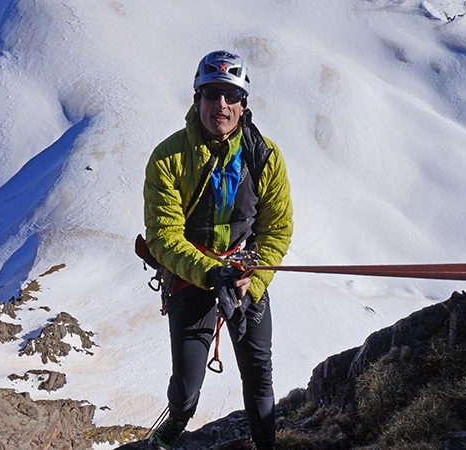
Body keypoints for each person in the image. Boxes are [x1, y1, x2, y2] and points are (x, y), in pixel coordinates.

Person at [143, 50, 293, 450]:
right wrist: (211, 273)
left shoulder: (265, 157)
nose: (220, 105)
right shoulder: (169, 159)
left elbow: (276, 229)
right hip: (195, 276)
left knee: (259, 371)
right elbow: (163, 236)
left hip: (245, 273)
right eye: (211, 94)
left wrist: (251, 281)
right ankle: (176, 421)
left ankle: (266, 445)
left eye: (230, 95)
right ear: (197, 100)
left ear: (244, 105)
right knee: (188, 384)